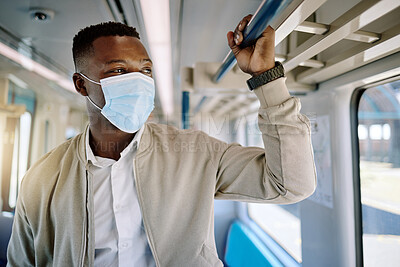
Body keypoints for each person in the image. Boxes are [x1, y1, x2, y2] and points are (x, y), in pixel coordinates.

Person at [7, 15, 316, 267]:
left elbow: (290, 184)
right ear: (81, 84)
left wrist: (267, 79)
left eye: (146, 70)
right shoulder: (42, 179)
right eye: (118, 70)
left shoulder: (198, 153)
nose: (139, 81)